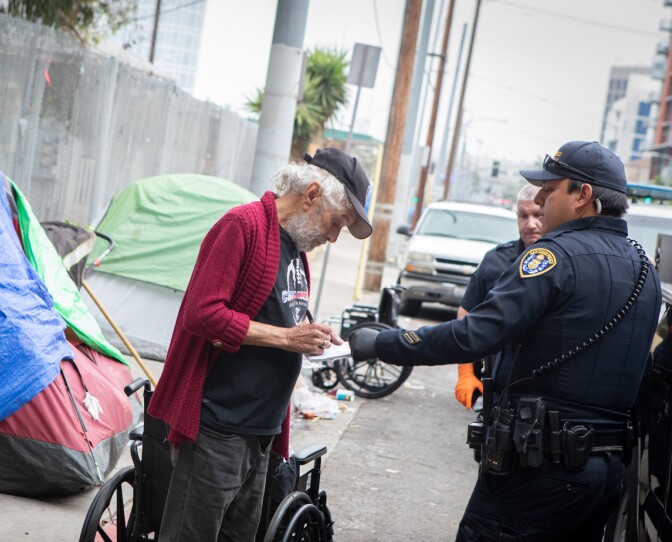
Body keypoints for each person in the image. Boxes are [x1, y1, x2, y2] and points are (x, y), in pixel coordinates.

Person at [349, 140, 662, 540]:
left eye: (550, 191)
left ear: (583, 196)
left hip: (536, 473)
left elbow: (475, 333)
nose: (542, 201)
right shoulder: (643, 269)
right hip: (604, 476)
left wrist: (385, 344)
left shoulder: (552, 257)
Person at [149, 147, 374, 542]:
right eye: (337, 223)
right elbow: (202, 315)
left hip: (260, 431)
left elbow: (282, 315)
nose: (334, 237)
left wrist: (310, 333)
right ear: (312, 195)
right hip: (218, 429)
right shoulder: (242, 226)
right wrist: (288, 338)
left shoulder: (296, 251)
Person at [454, 184, 542, 410]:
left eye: (538, 215)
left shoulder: (566, 263)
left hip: (542, 386)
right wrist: (466, 371)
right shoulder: (495, 261)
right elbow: (466, 316)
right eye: (523, 216)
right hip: (496, 381)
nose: (530, 224)